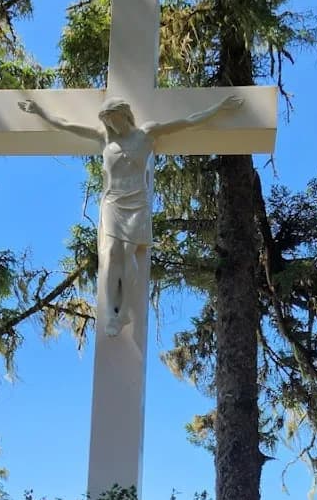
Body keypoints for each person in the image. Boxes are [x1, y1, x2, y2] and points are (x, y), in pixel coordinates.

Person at [18, 92, 242, 335]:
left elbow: (188, 121)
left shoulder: (146, 134)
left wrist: (218, 108)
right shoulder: (104, 137)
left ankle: (124, 312)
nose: (111, 124)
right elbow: (65, 124)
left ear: (124, 114)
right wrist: (39, 112)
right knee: (111, 252)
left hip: (136, 201)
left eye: (113, 118)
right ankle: (110, 312)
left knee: (128, 252)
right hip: (113, 200)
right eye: (107, 120)